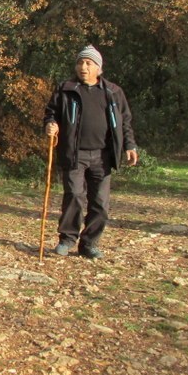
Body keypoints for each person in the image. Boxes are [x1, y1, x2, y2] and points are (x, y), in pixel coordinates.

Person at [43, 45, 138, 259]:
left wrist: (130, 145)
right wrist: (51, 124)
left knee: (100, 204)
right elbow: (51, 113)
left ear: (98, 68)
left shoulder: (113, 92)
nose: (83, 67)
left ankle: (89, 244)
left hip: (103, 156)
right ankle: (67, 240)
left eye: (88, 63)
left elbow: (125, 122)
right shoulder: (65, 89)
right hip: (74, 154)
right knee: (74, 196)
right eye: (80, 62)